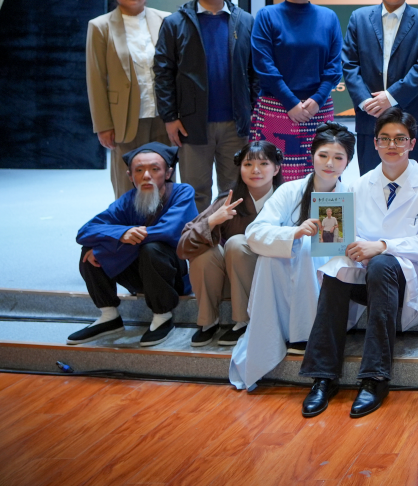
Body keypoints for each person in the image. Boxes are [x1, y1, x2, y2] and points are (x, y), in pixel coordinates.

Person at [300, 109, 418, 418]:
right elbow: (345, 235)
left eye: (400, 139)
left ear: (412, 143)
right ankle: (323, 377)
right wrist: (352, 246)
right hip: (365, 276)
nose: (392, 145)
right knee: (336, 270)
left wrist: (382, 247)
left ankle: (374, 378)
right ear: (375, 143)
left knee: (382, 264)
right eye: (384, 138)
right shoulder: (359, 185)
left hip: (407, 278)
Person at [228, 123, 355, 390]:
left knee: (311, 250)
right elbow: (255, 232)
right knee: (273, 255)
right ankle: (278, 333)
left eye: (338, 157)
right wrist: (293, 233)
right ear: (312, 156)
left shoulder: (353, 193)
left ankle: (310, 333)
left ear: (348, 162)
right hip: (289, 267)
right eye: (323, 155)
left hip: (338, 267)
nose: (329, 163)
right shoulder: (290, 191)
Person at [154, 0, 257, 212]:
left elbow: (254, 72)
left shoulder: (244, 21)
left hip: (235, 124)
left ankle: (229, 237)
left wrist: (251, 111)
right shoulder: (175, 23)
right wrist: (170, 117)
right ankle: (200, 238)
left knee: (234, 189)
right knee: (195, 190)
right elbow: (163, 73)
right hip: (192, 124)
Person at [69, 143, 196, 347]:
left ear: (168, 173)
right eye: (139, 170)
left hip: (173, 277)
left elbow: (167, 231)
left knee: (150, 248)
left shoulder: (183, 193)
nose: (146, 176)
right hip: (141, 274)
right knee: (89, 251)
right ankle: (109, 316)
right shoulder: (128, 200)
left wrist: (107, 248)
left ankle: (163, 316)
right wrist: (120, 234)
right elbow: (85, 231)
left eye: (154, 169)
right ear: (130, 176)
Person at [178, 140, 283, 347]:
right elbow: (183, 247)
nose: (255, 170)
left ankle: (243, 321)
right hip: (234, 282)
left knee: (236, 243)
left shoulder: (288, 197)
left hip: (274, 280)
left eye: (263, 164)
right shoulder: (229, 200)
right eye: (248, 164)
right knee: (204, 253)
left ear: (276, 168)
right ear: (240, 169)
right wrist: (211, 221)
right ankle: (208, 321)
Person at [343, 0, 418, 175]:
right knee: (370, 182)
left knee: (412, 185)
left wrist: (390, 97)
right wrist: (367, 102)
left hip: (410, 119)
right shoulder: (359, 18)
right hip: (370, 118)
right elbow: (349, 65)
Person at [250, 0, 343, 182]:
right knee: (271, 173)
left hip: (318, 109)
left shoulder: (328, 17)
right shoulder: (267, 15)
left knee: (323, 173)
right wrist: (290, 102)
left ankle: (321, 210)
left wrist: (318, 99)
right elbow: (264, 65)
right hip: (276, 107)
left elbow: (334, 65)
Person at [86, 0, 172, 199]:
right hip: (124, 117)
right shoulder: (100, 26)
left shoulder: (166, 20)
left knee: (164, 177)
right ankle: (128, 222)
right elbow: (96, 78)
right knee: (128, 180)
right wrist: (103, 125)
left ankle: (163, 221)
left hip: (163, 115)